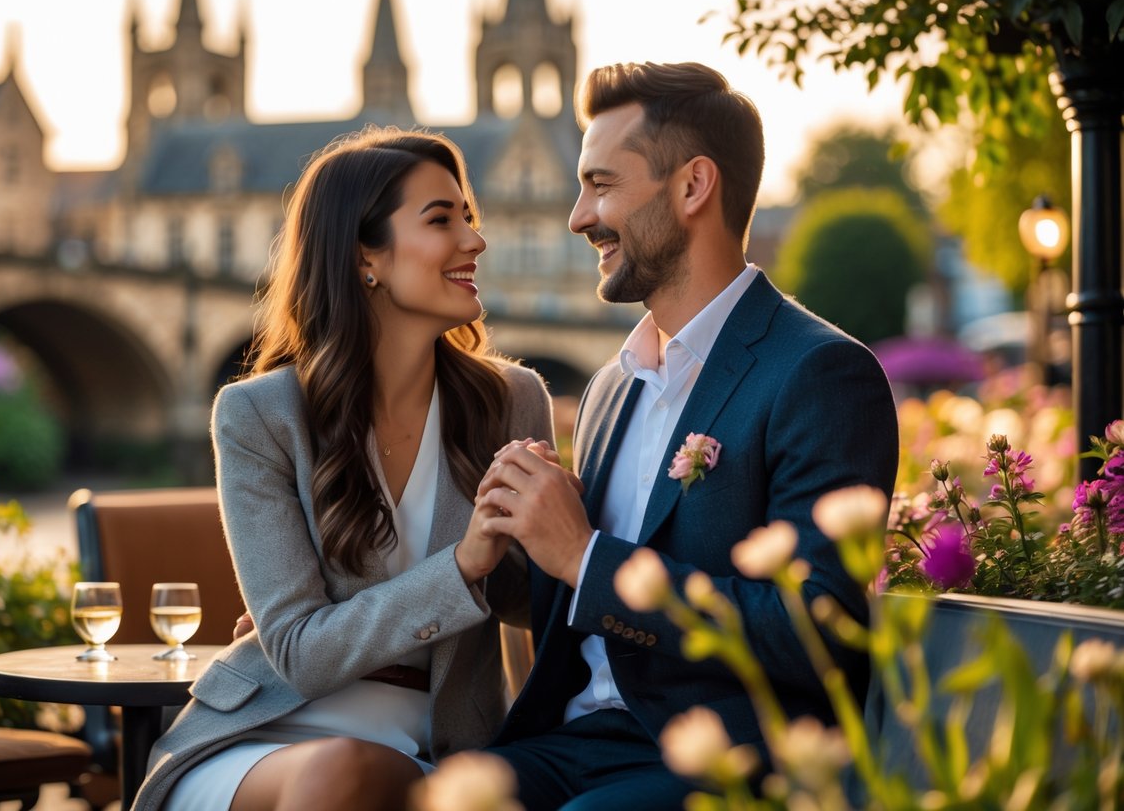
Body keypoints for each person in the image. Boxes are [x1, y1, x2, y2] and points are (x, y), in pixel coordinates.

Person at [473, 61, 900, 810]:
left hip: (728, 760)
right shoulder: (610, 387)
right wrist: (515, 536)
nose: (577, 216)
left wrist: (583, 554)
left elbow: (816, 632)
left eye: (601, 185)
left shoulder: (821, 372)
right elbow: (572, 601)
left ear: (692, 187)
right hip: (570, 741)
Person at [130, 126, 554, 811]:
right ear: (366, 256)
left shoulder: (511, 401)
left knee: (355, 776)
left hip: (437, 745)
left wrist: (548, 535)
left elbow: (532, 609)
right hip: (260, 737)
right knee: (343, 774)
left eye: (469, 219)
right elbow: (299, 650)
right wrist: (463, 563)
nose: (474, 241)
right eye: (442, 220)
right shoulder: (258, 415)